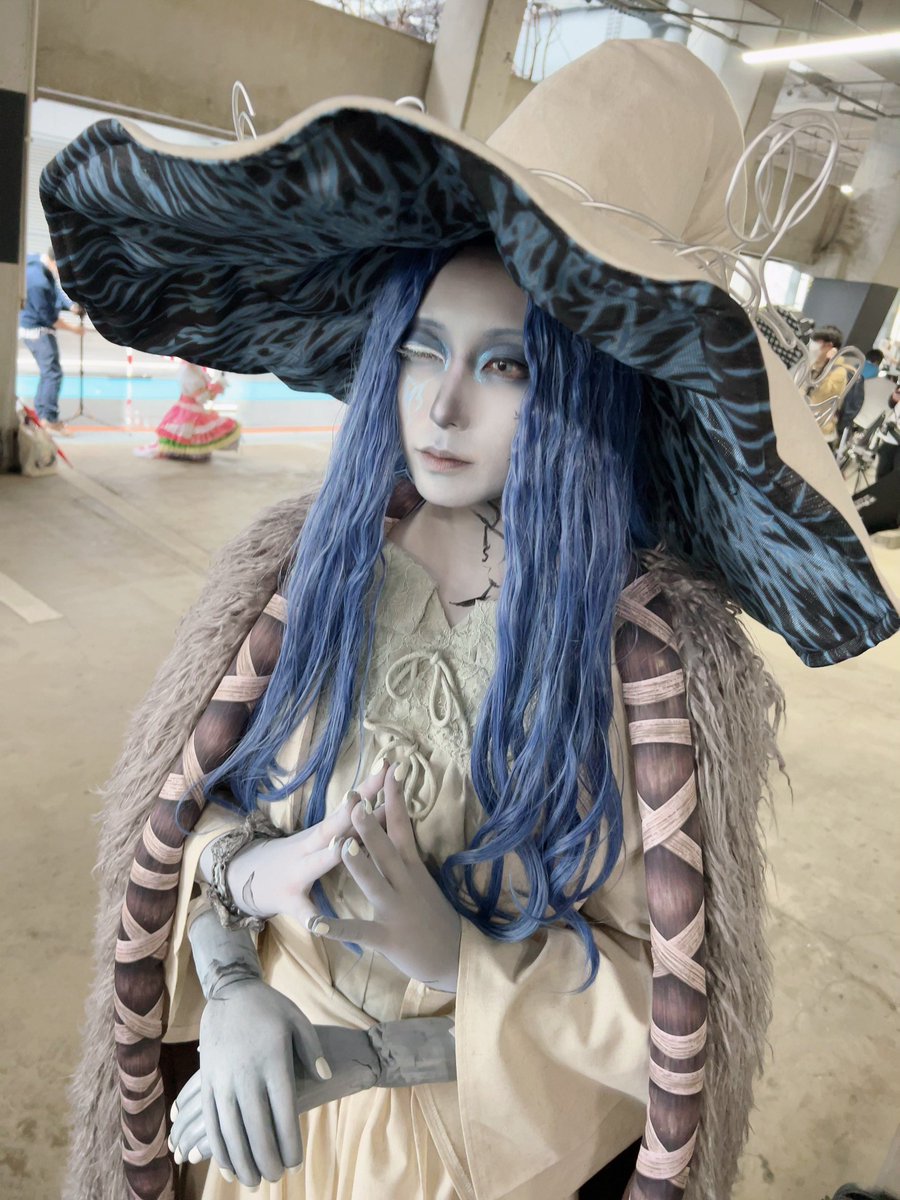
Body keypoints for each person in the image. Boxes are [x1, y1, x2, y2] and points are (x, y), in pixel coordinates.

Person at [41, 38, 899, 1200]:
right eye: (422, 349)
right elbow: (192, 817)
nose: (442, 406)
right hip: (261, 1142)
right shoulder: (299, 575)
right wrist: (234, 956)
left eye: (507, 368)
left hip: (459, 1162)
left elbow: (671, 1020)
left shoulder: (644, 666)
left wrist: (456, 964)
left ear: (583, 386)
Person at [18, 249, 85, 433]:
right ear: (55, 262)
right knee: (53, 374)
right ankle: (49, 418)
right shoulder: (38, 282)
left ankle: (42, 415)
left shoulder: (38, 262)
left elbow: (54, 288)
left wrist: (70, 306)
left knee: (47, 373)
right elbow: (50, 319)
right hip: (38, 331)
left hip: (32, 327)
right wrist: (75, 330)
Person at [135, 361, 241, 460]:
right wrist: (217, 387)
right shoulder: (189, 372)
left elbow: (204, 395)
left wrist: (215, 387)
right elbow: (201, 398)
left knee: (191, 432)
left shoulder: (194, 367)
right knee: (190, 432)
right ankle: (185, 453)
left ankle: (186, 453)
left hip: (190, 408)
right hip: (190, 411)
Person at [805, 325, 862, 444]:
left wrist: (826, 364)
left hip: (820, 432)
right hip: (804, 422)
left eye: (817, 342)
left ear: (829, 346)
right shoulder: (814, 364)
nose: (813, 345)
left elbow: (821, 395)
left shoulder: (840, 372)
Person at [875, 382, 900, 481]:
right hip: (891, 437)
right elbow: (892, 404)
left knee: (895, 477)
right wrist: (894, 398)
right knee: (882, 473)